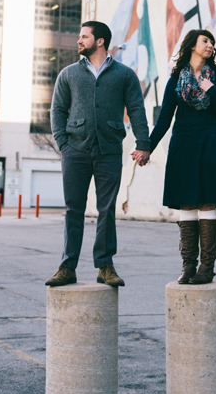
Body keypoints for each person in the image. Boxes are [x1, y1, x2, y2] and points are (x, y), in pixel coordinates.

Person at [46, 20, 151, 288]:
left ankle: (105, 266)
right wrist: (63, 143)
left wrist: (143, 143)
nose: (78, 41)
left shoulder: (124, 75)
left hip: (109, 150)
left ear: (100, 41)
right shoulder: (69, 74)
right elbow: (57, 110)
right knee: (73, 210)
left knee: (107, 210)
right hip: (75, 150)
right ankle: (67, 266)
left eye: (84, 36)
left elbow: (137, 109)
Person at [142, 29, 216, 284]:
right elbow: (164, 118)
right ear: (192, 44)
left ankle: (206, 268)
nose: (210, 45)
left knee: (207, 202)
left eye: (212, 43)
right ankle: (187, 267)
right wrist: (147, 146)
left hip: (210, 142)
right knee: (186, 203)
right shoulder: (175, 80)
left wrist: (212, 91)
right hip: (183, 143)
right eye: (205, 40)